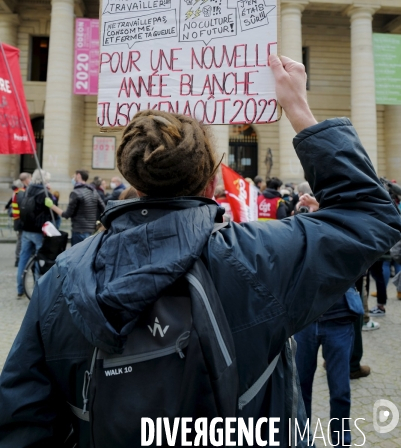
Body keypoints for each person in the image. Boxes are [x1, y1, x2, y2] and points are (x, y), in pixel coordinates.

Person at [1, 54, 401, 447]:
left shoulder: (61, 279)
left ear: (134, 182)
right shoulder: (258, 258)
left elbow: (23, 422)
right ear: (212, 184)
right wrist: (297, 106)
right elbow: (371, 214)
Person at [294, 194, 364, 448]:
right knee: (300, 389)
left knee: (341, 390)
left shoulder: (346, 230)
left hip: (338, 321)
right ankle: (302, 441)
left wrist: (323, 211)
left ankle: (341, 442)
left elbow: (358, 253)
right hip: (305, 321)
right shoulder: (299, 228)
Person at [16, 169, 53, 298]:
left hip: (26, 229)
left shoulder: (28, 190)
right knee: (39, 260)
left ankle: (20, 288)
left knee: (23, 259)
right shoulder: (45, 192)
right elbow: (52, 208)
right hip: (38, 231)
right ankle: (38, 290)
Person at [46, 169, 104, 246]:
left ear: (78, 176)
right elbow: (103, 208)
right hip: (91, 231)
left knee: (77, 256)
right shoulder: (93, 191)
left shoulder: (75, 193)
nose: (73, 179)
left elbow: (67, 214)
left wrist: (52, 206)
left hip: (79, 231)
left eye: (74, 176)